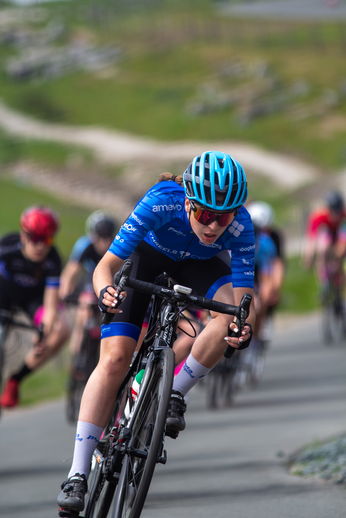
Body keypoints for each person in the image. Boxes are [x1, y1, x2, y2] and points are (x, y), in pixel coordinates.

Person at [57, 151, 256, 516]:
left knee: (228, 318)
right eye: (205, 214)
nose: (214, 227)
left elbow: (244, 299)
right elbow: (107, 266)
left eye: (223, 216)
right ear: (188, 201)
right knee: (115, 358)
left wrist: (244, 326)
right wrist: (105, 291)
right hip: (147, 261)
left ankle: (175, 393)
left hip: (200, 267)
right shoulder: (160, 201)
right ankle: (77, 473)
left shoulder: (242, 226)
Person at [0, 205, 70, 408]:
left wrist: (43, 334)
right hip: (4, 292)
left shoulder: (53, 260)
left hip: (33, 300)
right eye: (35, 239)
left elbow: (50, 305)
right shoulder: (8, 246)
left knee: (61, 329)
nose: (40, 246)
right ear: (23, 236)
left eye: (47, 240)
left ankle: (16, 380)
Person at [59, 212, 118, 356]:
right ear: (93, 236)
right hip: (89, 279)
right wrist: (64, 295)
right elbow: (70, 273)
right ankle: (76, 358)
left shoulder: (117, 247)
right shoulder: (85, 246)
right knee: (84, 313)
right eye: (102, 237)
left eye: (109, 236)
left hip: (110, 280)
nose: (106, 242)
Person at [246, 201, 285, 341]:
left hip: (263, 267)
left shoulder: (268, 243)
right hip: (249, 267)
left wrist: (273, 291)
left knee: (260, 302)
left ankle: (257, 335)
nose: (264, 234)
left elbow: (276, 266)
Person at [302, 191, 346, 298]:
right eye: (333, 211)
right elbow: (311, 239)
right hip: (327, 237)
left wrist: (340, 253)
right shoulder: (318, 216)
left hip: (339, 236)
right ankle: (324, 282)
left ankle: (338, 276)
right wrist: (308, 256)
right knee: (323, 247)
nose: (336, 215)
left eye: (338, 211)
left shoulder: (344, 214)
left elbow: (343, 236)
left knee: (340, 253)